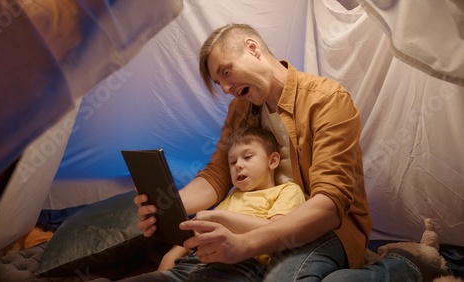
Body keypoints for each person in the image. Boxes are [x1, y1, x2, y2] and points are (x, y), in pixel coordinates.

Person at [134, 23, 450, 281]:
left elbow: (328, 206)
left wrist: (245, 244)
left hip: (327, 228)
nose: (226, 89)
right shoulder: (240, 109)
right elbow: (216, 175)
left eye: (226, 73)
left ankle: (405, 263)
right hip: (258, 222)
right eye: (220, 83)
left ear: (253, 49)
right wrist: (168, 207)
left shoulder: (327, 99)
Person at [128, 127, 306, 281]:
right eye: (233, 162)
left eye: (247, 157)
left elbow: (275, 230)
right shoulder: (232, 196)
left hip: (237, 269)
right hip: (188, 265)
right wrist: (169, 258)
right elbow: (198, 231)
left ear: (273, 161)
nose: (238, 165)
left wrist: (220, 216)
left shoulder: (287, 190)